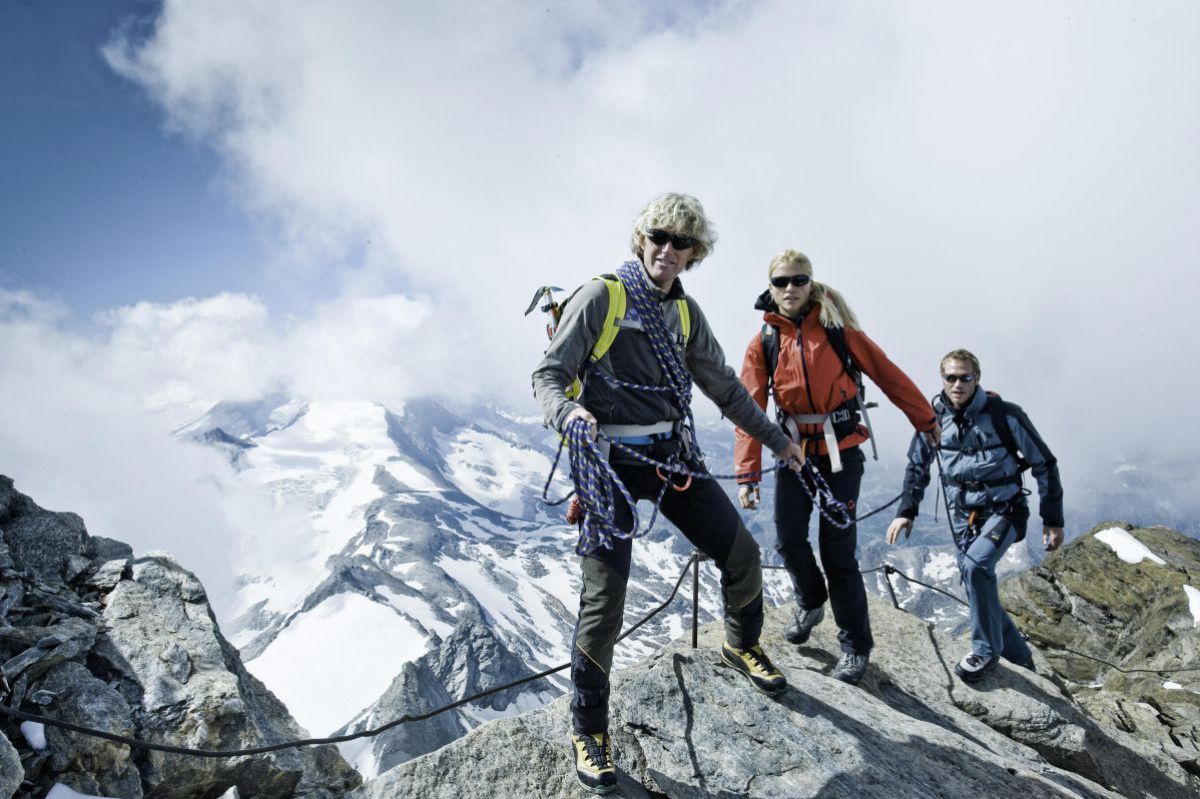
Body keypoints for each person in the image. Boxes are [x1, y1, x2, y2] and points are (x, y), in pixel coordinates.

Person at [532, 193, 807, 795]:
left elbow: (726, 390)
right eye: (659, 236)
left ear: (694, 253)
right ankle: (589, 730)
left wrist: (777, 442)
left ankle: (743, 645)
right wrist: (568, 412)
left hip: (670, 455)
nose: (667, 249)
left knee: (740, 554)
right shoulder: (602, 298)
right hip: (610, 459)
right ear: (642, 238)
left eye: (681, 242)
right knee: (605, 601)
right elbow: (549, 376)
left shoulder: (685, 315)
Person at [735, 249, 938, 685]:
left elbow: (888, 374)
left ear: (811, 283)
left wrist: (926, 420)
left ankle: (854, 645)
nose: (790, 289)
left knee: (837, 552)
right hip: (793, 458)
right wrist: (747, 472)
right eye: (781, 282)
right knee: (788, 540)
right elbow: (749, 406)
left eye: (798, 280)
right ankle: (810, 598)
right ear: (769, 288)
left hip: (842, 456)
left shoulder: (838, 332)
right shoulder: (765, 342)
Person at [886, 348, 1064, 683]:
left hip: (1005, 509)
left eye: (965, 377)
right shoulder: (932, 418)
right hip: (961, 516)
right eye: (951, 377)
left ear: (976, 378)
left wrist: (1053, 520)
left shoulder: (1005, 415)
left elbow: (1044, 463)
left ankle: (984, 652)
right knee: (973, 580)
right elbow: (917, 467)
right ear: (943, 379)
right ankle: (1020, 658)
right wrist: (906, 512)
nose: (957, 384)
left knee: (976, 566)